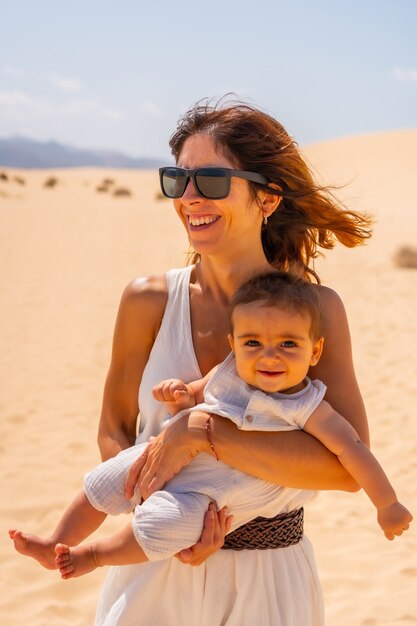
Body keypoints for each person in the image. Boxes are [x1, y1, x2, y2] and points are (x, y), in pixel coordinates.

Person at [13, 97, 379, 625]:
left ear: (268, 198)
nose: (188, 198)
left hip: (268, 581)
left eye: (209, 181)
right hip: (150, 571)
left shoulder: (316, 311)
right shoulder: (147, 300)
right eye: (176, 180)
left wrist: (203, 435)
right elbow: (115, 430)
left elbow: (348, 468)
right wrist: (164, 520)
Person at [9, 273, 412, 582]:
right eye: (253, 343)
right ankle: (56, 540)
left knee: (162, 527)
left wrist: (387, 503)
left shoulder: (307, 405)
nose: (269, 356)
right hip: (161, 461)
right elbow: (198, 393)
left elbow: (353, 450)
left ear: (315, 351)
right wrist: (181, 395)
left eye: (289, 345)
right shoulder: (230, 371)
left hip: (205, 502)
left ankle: (92, 555)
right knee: (105, 480)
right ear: (234, 346)